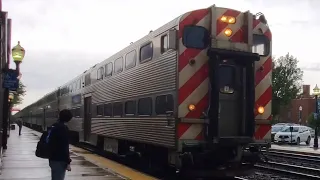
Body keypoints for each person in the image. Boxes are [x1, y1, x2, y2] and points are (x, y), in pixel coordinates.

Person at [48, 109, 73, 180]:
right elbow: (64, 147)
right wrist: (68, 161)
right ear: (68, 119)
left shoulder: (54, 126)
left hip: (52, 158)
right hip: (60, 160)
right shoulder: (63, 129)